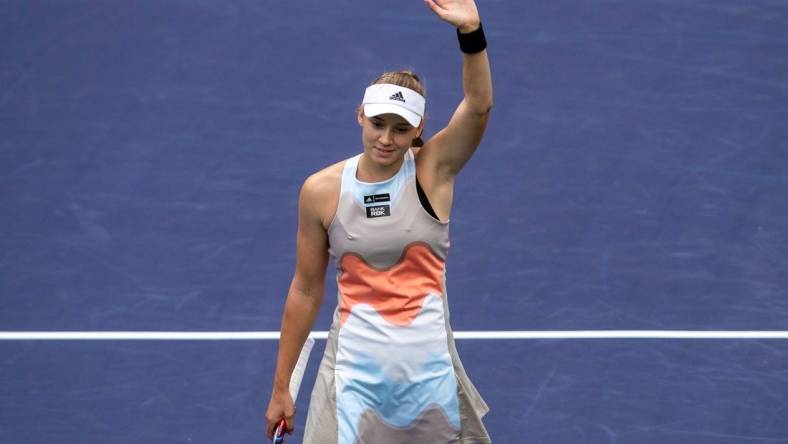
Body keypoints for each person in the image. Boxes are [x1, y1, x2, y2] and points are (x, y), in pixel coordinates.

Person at [265, 0, 493, 442]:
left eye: (400, 128)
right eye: (377, 124)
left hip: (429, 383)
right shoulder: (321, 190)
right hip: (351, 382)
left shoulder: (433, 170)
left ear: (419, 129)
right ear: (360, 116)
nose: (386, 139)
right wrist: (280, 388)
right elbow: (305, 289)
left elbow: (479, 106)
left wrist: (471, 32)